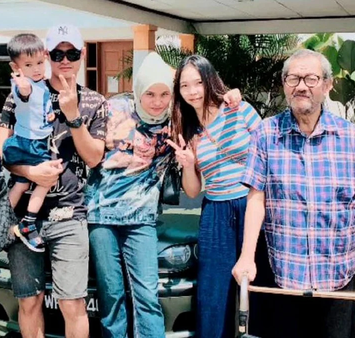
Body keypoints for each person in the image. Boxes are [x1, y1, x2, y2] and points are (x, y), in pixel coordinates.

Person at [232, 49, 355, 338]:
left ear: (327, 85)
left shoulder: (350, 137)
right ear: (284, 85)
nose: (302, 86)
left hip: (337, 275)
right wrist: (247, 256)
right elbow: (256, 199)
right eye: (293, 78)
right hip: (283, 272)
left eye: (311, 78)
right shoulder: (266, 135)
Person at [86, 52, 242, 338]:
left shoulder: (176, 119)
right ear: (138, 91)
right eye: (150, 94)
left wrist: (229, 94)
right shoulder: (113, 109)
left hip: (142, 219)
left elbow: (207, 105)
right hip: (101, 216)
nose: (157, 101)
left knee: (147, 295)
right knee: (112, 295)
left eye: (163, 94)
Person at [0, 24, 107, 338]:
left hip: (69, 215)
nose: (64, 60)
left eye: (71, 53)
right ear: (47, 55)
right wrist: (31, 173)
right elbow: (1, 150)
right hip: (24, 221)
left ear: (82, 55)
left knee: (73, 304)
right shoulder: (22, 93)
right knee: (28, 303)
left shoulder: (94, 103)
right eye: (57, 53)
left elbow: (94, 158)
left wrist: (73, 116)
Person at [168, 54, 261, 338]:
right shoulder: (189, 131)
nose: (193, 91)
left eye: (198, 82)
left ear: (210, 81)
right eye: (185, 86)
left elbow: (268, 151)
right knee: (212, 294)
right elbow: (194, 190)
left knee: (256, 286)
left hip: (252, 205)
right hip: (215, 212)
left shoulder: (239, 109)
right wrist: (187, 165)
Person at [1, 33, 54, 252]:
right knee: (46, 180)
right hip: (32, 144)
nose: (36, 69)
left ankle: (1, 223)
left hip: (27, 141)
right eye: (29, 65)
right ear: (16, 67)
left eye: (40, 62)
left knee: (21, 184)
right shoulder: (25, 85)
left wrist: (48, 116)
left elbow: (38, 107)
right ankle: (28, 222)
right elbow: (25, 94)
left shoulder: (41, 85)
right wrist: (23, 85)